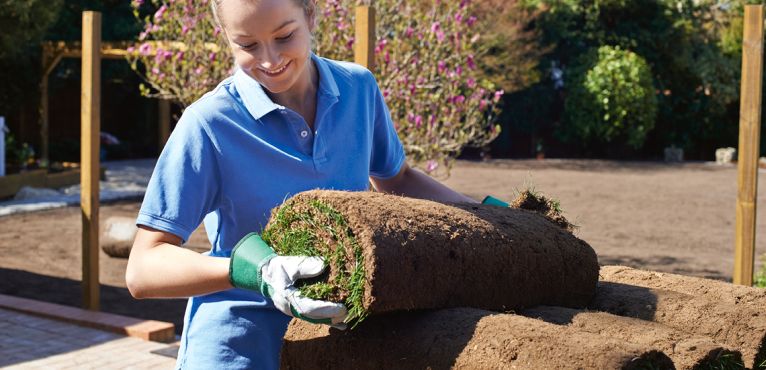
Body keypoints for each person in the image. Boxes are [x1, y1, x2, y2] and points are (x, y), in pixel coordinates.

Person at [126, 0, 478, 368]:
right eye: (247, 45)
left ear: (310, 15)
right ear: (225, 37)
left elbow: (398, 178)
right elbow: (143, 269)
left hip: (336, 345)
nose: (269, 59)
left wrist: (486, 215)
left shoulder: (357, 88)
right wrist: (255, 272)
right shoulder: (209, 124)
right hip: (240, 350)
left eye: (284, 36)